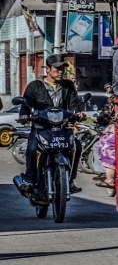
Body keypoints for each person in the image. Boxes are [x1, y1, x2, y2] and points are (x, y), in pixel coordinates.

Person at [19, 54, 84, 194]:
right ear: (47, 69)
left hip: (62, 129)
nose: (61, 71)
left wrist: (78, 113)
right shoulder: (34, 86)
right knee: (31, 148)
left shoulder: (68, 86)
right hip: (41, 128)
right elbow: (26, 105)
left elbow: (74, 105)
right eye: (57, 68)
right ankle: (29, 180)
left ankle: (70, 180)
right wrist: (24, 116)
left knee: (77, 146)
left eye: (63, 68)